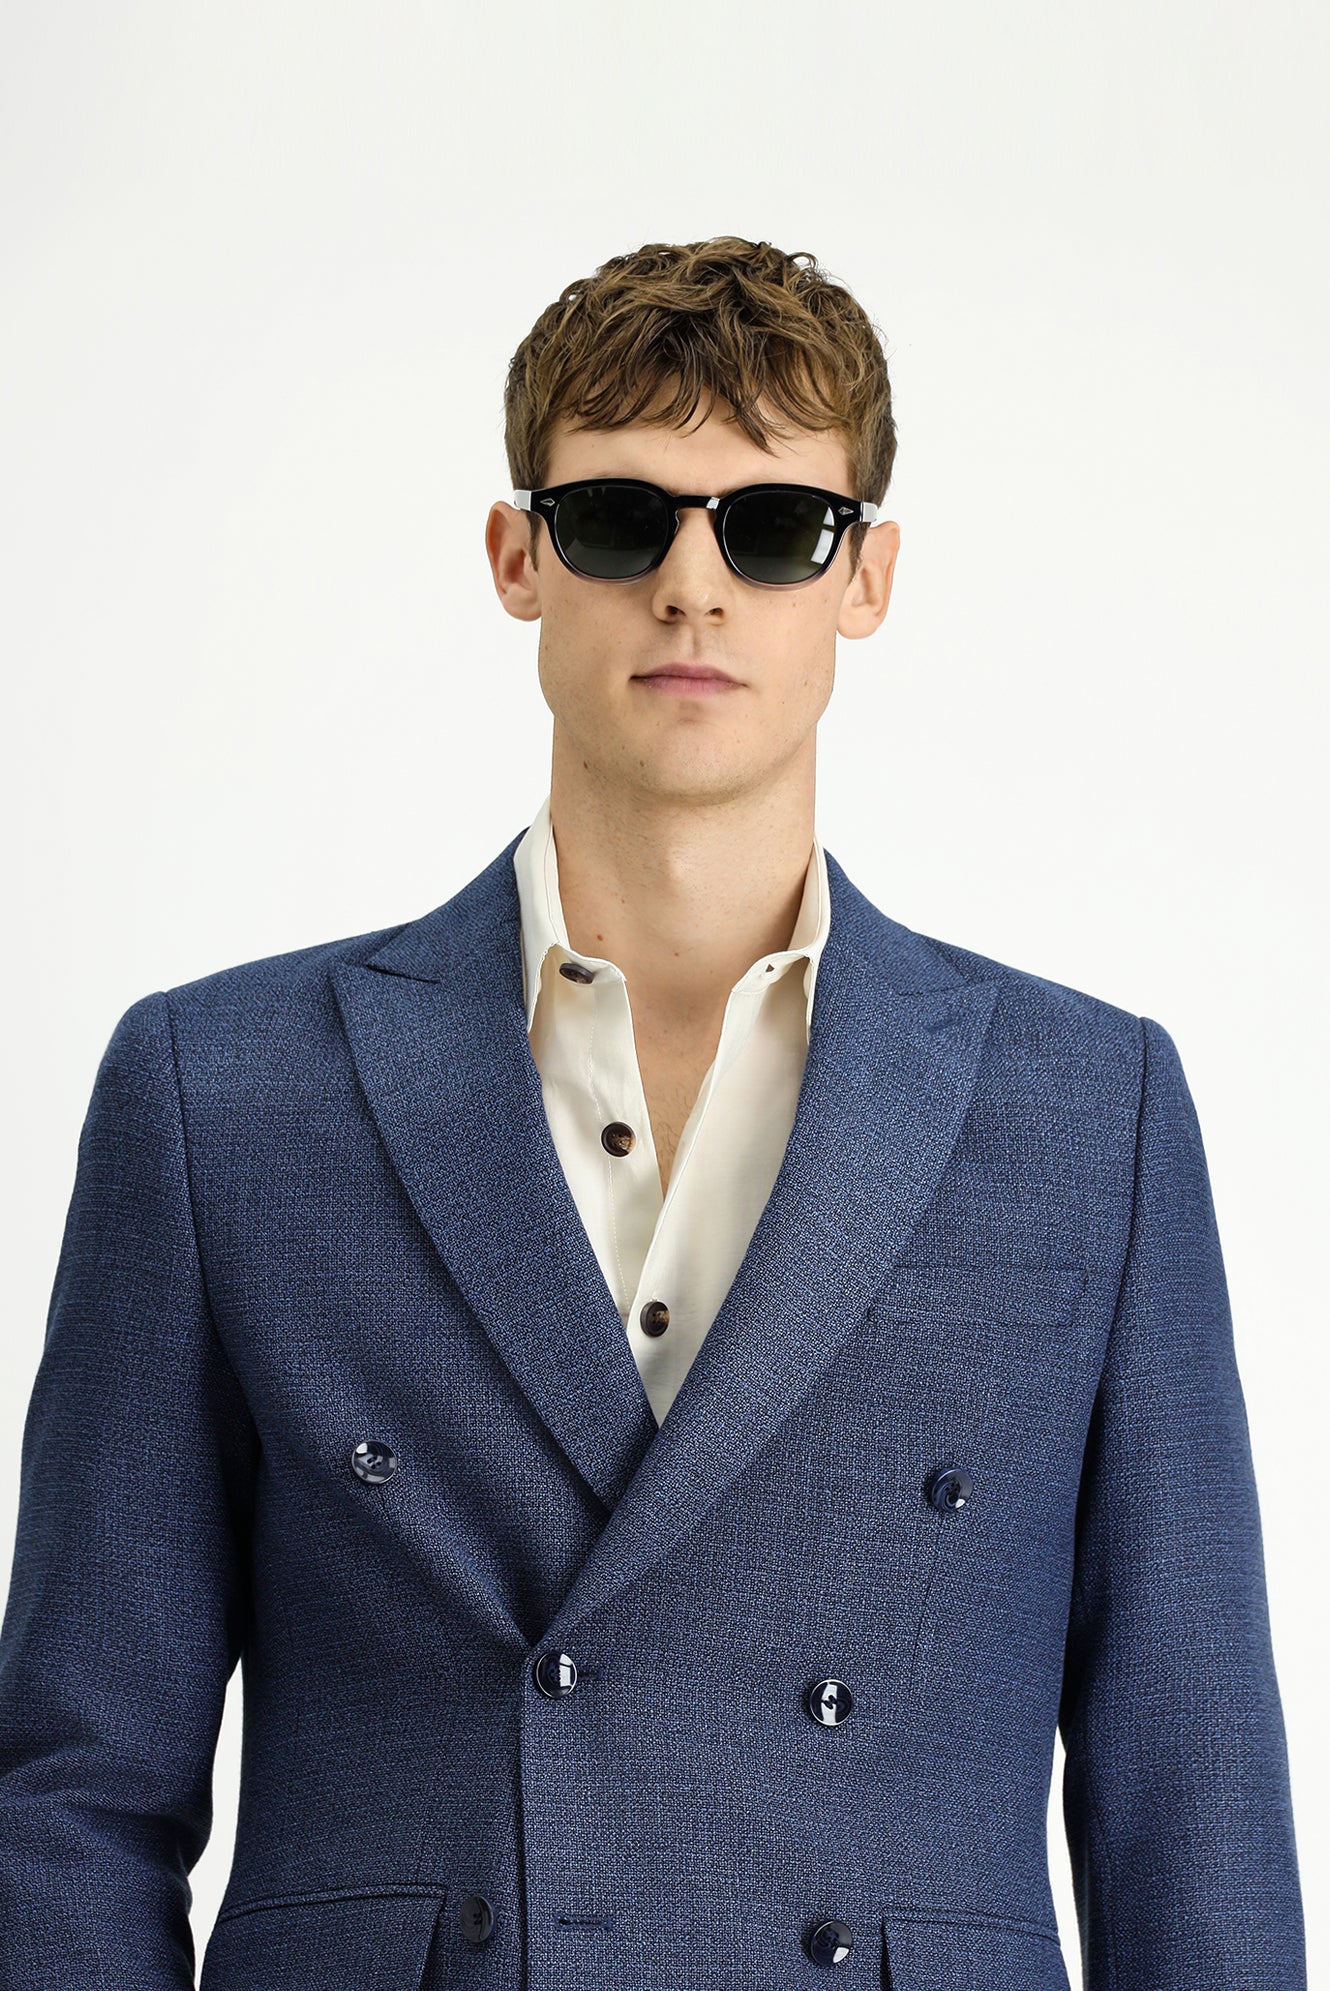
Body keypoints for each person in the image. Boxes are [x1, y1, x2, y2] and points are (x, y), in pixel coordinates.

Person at [0, 236, 1305, 1989]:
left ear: (865, 577)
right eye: (620, 519)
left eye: (774, 527)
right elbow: (77, 1797)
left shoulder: (1088, 1111)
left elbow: (1192, 1806)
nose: (694, 585)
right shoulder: (220, 1092)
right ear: (515, 556)